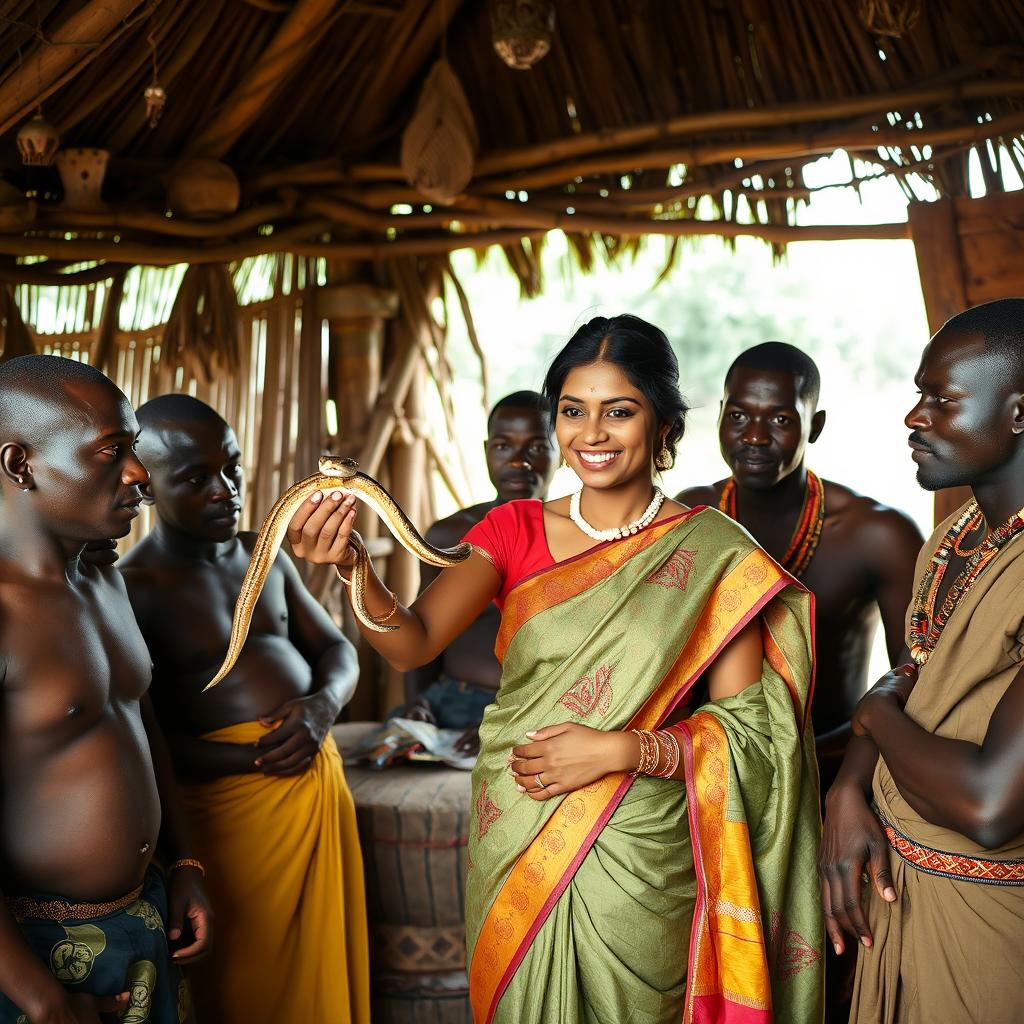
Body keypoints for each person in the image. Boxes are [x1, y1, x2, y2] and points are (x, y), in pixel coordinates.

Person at [287, 315, 823, 1023]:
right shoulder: (513, 530)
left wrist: (620, 750)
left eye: (619, 411)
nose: (591, 434)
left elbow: (750, 734)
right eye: (573, 411)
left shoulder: (714, 554)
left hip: (643, 856)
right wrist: (357, 571)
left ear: (664, 424)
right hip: (518, 821)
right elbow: (413, 642)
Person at [118, 394, 370, 1024]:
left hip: (313, 776)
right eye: (195, 479)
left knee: (319, 978)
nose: (224, 490)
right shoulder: (134, 589)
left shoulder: (264, 551)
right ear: (144, 487)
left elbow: (338, 648)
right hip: (229, 813)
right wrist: (252, 756)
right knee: (247, 982)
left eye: (231, 468)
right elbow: (146, 739)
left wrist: (321, 708)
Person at [819, 298, 1024, 1023]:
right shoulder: (953, 541)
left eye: (941, 399)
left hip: (990, 926)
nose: (915, 416)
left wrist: (871, 713)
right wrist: (847, 792)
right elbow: (916, 681)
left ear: (1019, 413)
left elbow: (989, 804)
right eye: (917, 394)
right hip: (899, 897)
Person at [0, 355, 210, 1024]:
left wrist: (186, 864)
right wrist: (42, 1000)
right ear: (19, 464)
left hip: (146, 924)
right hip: (32, 961)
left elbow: (140, 727)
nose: (140, 475)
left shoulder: (101, 578)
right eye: (111, 451)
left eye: (136, 449)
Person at [677, 343, 923, 789]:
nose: (753, 435)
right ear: (718, 416)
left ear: (816, 426)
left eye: (780, 419)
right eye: (737, 416)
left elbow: (915, 682)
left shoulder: (877, 534)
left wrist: (842, 780)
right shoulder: (688, 517)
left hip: (834, 765)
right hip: (707, 770)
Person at [404, 390, 556, 754]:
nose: (519, 461)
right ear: (488, 450)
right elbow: (420, 630)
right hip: (450, 704)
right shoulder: (448, 535)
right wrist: (418, 705)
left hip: (538, 711)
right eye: (504, 446)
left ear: (561, 452)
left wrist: (511, 721)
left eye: (536, 447)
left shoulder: (577, 537)